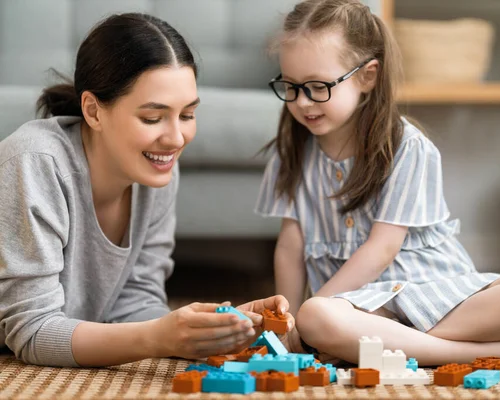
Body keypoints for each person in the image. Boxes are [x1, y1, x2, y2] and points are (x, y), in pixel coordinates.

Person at [255, 0, 500, 366]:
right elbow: (290, 246)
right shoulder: (291, 152)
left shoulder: (407, 146)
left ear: (367, 76)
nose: (303, 102)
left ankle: (396, 345)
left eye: (318, 86)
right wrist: (289, 323)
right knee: (318, 318)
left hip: (437, 295)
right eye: (290, 86)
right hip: (365, 310)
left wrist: (315, 311)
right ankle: (484, 350)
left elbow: (382, 248)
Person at [0, 13, 293, 368]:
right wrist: (157, 337)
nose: (175, 139)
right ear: (93, 110)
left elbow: (135, 300)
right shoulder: (35, 162)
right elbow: (32, 333)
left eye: (187, 115)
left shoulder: (155, 165)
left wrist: (213, 326)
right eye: (153, 118)